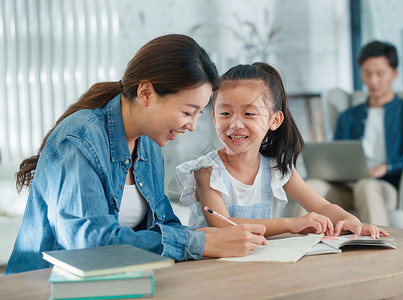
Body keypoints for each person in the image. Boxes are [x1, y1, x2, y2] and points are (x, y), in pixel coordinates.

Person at [6, 34, 267, 275]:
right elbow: (89, 245)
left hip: (118, 282)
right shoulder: (79, 138)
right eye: (188, 112)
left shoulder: (149, 145)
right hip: (45, 286)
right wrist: (201, 243)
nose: (193, 125)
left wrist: (213, 237)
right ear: (146, 93)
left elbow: (165, 225)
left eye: (199, 113)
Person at [176, 62, 386, 238]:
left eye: (249, 114)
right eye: (225, 113)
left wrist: (351, 220)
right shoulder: (206, 170)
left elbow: (322, 208)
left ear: (274, 120)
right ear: (213, 117)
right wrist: (290, 224)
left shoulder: (277, 167)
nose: (235, 124)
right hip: (214, 265)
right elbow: (222, 224)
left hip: (262, 259)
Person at [305, 41, 403, 226]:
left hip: (383, 187)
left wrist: (387, 166)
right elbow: (335, 155)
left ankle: (378, 246)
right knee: (312, 186)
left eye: (380, 73)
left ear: (394, 74)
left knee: (365, 186)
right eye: (367, 73)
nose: (373, 80)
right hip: (346, 187)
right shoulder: (349, 116)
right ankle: (303, 246)